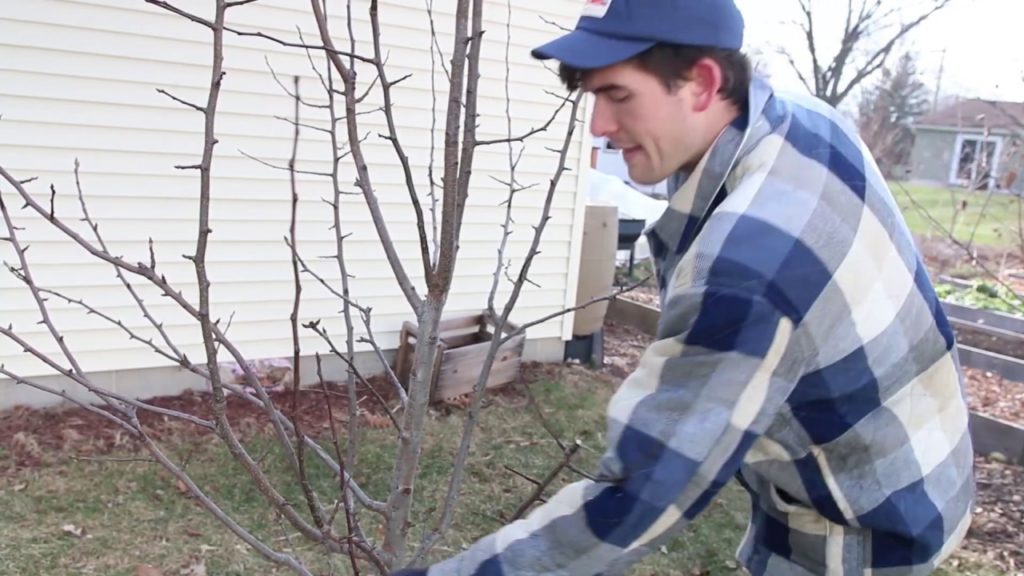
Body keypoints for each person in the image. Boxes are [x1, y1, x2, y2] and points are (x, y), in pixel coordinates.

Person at [394, 0, 975, 573]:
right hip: (926, 467)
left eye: (618, 95)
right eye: (594, 96)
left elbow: (644, 496)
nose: (597, 126)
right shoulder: (801, 119)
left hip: (857, 538)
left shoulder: (750, 266)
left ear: (701, 82)